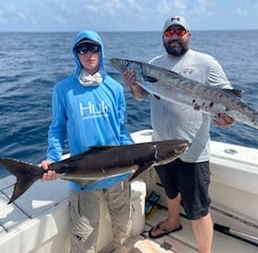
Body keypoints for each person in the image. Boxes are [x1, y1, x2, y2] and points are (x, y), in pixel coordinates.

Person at [123, 16, 235, 253]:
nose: (174, 36)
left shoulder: (206, 63)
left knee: (198, 207)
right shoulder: (153, 64)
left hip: (193, 149)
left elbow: (229, 100)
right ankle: (172, 221)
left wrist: (228, 120)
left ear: (188, 35)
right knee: (170, 191)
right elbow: (142, 96)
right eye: (169, 32)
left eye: (179, 31)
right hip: (161, 147)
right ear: (163, 37)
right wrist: (134, 86)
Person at [41, 30, 134, 253]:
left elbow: (121, 130)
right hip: (83, 178)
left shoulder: (115, 88)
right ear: (76, 54)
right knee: (84, 240)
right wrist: (52, 158)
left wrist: (136, 154)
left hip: (119, 176)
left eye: (94, 48)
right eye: (82, 49)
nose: (89, 53)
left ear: (101, 51)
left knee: (124, 230)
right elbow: (57, 129)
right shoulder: (63, 89)